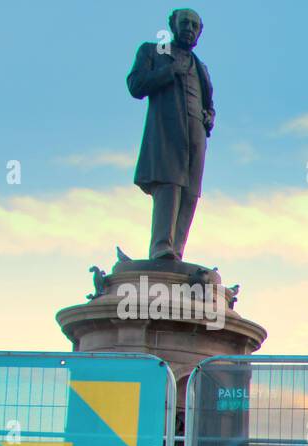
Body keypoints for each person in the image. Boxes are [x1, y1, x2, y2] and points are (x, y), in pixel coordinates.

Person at [128, 8, 215, 261]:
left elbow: (209, 104)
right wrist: (170, 71)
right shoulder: (153, 51)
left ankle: (176, 251)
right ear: (173, 25)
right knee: (169, 184)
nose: (189, 28)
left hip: (196, 133)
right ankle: (161, 247)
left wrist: (209, 116)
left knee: (191, 193)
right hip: (167, 130)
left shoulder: (201, 67)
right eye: (184, 23)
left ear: (200, 32)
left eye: (194, 26)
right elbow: (136, 85)